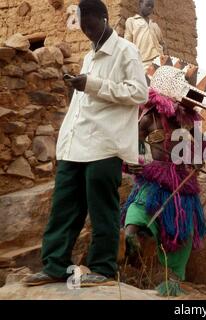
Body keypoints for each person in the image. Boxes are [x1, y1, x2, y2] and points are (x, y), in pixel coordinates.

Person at [22, 0, 148, 287]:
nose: (87, 32)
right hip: (76, 145)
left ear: (104, 19)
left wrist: (92, 84)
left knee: (102, 208)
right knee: (63, 206)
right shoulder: (89, 56)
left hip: (105, 144)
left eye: (90, 25)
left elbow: (140, 93)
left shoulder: (126, 51)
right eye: (83, 27)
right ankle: (55, 265)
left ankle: (102, 267)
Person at [121, 65, 206, 296]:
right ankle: (130, 241)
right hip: (153, 177)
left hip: (182, 184)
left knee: (182, 232)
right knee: (137, 212)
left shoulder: (188, 120)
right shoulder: (148, 118)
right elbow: (129, 146)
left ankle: (171, 281)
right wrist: (131, 162)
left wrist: (199, 159)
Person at [124, 0, 166, 72]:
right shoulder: (132, 21)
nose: (150, 8)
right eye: (147, 5)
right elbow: (127, 44)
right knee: (146, 82)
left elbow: (162, 43)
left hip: (160, 61)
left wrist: (161, 51)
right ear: (140, 4)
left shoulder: (154, 24)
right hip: (143, 62)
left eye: (152, 6)